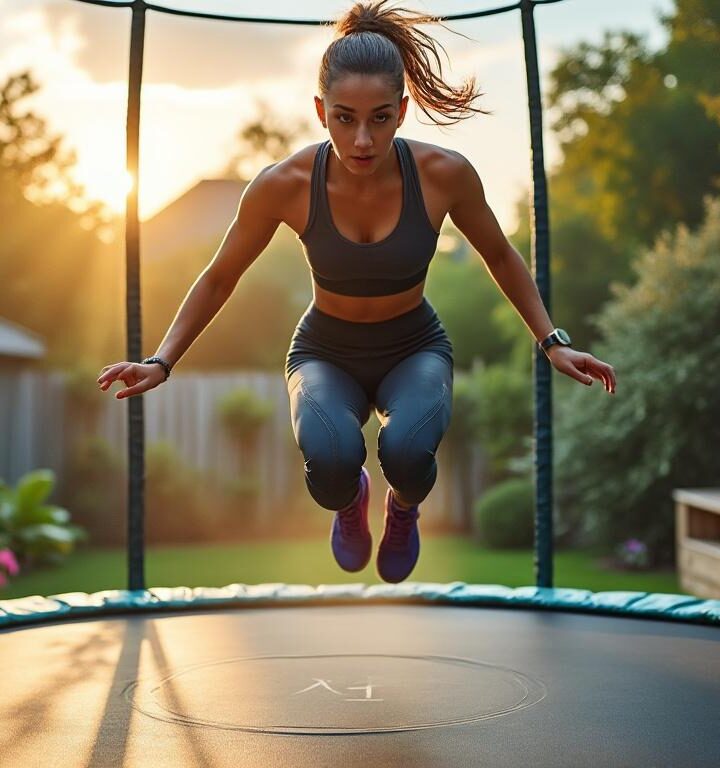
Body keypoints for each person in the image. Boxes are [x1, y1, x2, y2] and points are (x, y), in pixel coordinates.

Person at [97, 0, 616, 584]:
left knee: (408, 454)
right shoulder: (284, 185)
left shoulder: (445, 175)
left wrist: (553, 342)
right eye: (345, 118)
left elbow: (499, 254)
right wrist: (163, 360)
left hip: (413, 344)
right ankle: (351, 503)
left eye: (380, 117)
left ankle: (401, 508)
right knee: (333, 458)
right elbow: (220, 275)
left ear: (403, 109)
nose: (363, 139)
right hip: (325, 350)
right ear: (321, 111)